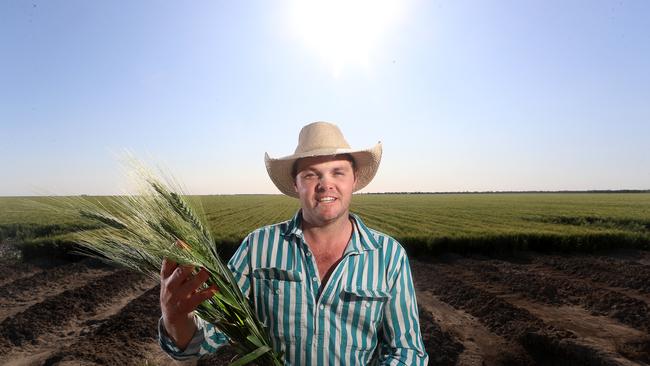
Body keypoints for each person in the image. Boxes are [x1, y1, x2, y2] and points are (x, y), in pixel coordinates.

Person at [158, 121, 429, 365]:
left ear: (354, 180)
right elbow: (210, 336)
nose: (326, 185)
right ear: (295, 184)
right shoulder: (258, 247)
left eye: (338, 172)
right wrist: (175, 319)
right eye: (311, 175)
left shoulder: (389, 256)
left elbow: (407, 352)